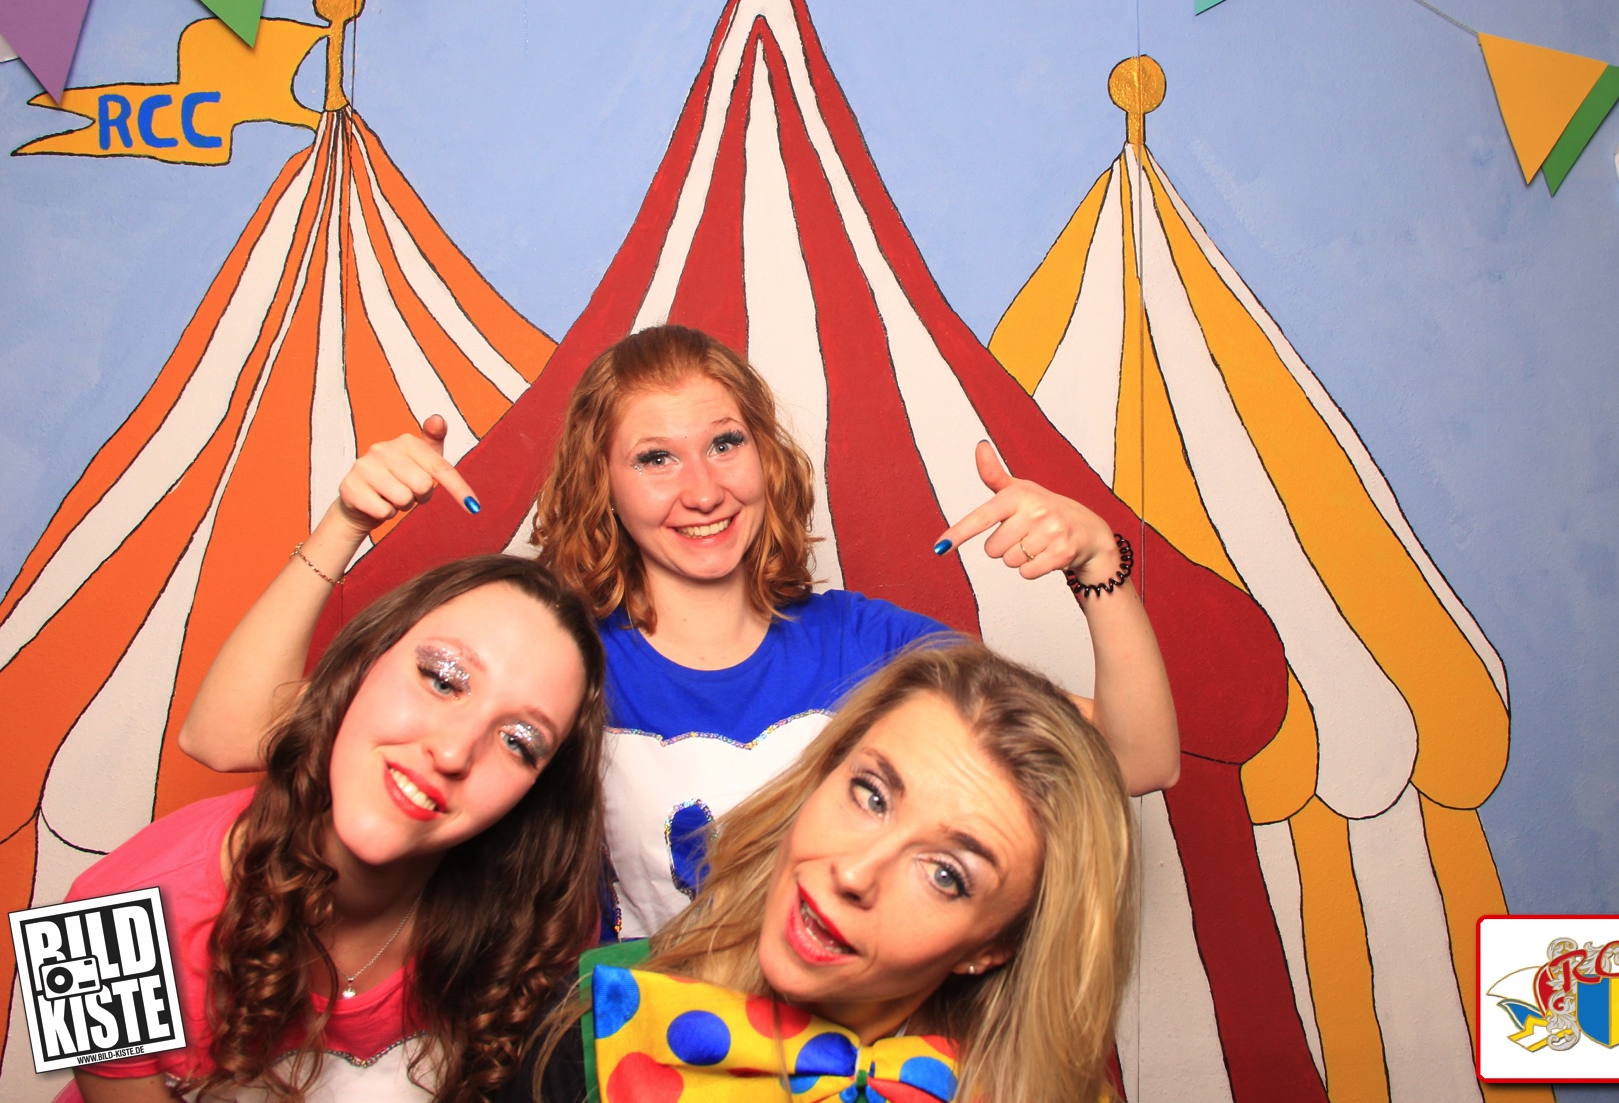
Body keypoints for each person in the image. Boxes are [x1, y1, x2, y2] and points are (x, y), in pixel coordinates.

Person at [181, 324, 1177, 939]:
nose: (701, 490)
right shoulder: (557, 663)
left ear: (767, 459)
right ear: (602, 485)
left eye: (724, 444)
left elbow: (1137, 760)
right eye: (655, 458)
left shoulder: (871, 649)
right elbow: (225, 735)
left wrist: (1098, 566)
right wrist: (342, 525)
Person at [65, 555, 607, 1103]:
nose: (452, 752)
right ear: (363, 663)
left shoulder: (537, 924)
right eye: (443, 680)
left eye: (518, 741)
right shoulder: (92, 924)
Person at [505, 641, 1138, 1103]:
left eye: (946, 874)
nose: (856, 874)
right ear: (821, 776)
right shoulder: (597, 1022)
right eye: (871, 795)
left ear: (993, 946)